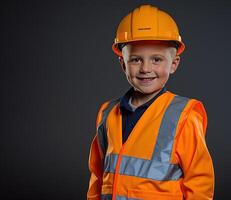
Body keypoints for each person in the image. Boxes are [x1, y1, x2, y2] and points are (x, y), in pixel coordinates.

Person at [87, 4, 214, 200]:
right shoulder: (107, 113)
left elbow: (200, 183)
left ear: (174, 64)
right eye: (136, 60)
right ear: (123, 64)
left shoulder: (184, 116)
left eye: (156, 59)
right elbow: (98, 174)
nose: (146, 68)